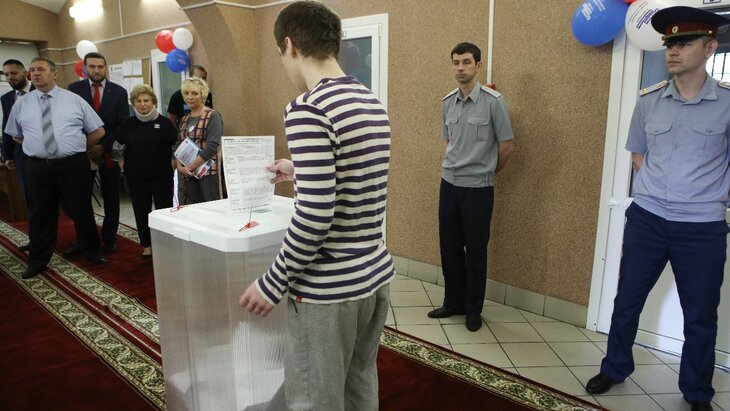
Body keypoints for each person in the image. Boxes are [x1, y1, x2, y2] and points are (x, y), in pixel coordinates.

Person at [238, 2, 394, 409]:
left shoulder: (308, 107)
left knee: (314, 399)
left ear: (290, 45)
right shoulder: (369, 100)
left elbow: (314, 216)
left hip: (328, 289)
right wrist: (299, 169)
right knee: (359, 385)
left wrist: (272, 282)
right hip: (374, 274)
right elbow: (359, 174)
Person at [585, 7, 730, 411]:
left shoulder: (726, 103)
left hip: (701, 228)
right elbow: (638, 154)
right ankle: (615, 367)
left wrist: (705, 196)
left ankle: (696, 391)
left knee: (700, 315)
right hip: (647, 221)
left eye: (684, 42)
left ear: (709, 48)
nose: (673, 50)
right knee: (627, 301)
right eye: (669, 43)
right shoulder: (649, 101)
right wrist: (658, 192)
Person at [427, 42, 514, 332]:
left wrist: (487, 172)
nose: (460, 68)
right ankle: (453, 302)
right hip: (449, 184)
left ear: (478, 65)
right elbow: (449, 142)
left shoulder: (493, 102)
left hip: (478, 188)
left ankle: (473, 310)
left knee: (476, 251)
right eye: (456, 62)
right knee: (449, 248)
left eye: (466, 62)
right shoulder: (447, 102)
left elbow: (507, 146)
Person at [4, 57, 107, 279]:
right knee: (40, 213)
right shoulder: (22, 103)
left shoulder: (74, 100)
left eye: (41, 69)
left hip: (73, 164)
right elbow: (15, 135)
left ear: (54, 73)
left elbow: (98, 131)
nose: (35, 73)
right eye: (32, 70)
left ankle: (90, 249)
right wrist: (37, 146)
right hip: (38, 167)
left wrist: (77, 147)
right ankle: (38, 259)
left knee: (81, 208)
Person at [67, 52, 129, 254]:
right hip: (82, 152)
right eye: (92, 66)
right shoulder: (74, 90)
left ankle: (110, 238)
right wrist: (88, 146)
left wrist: (102, 146)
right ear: (85, 68)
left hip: (108, 151)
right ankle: (85, 239)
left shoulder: (118, 92)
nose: (96, 70)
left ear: (106, 68)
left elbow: (122, 124)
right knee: (81, 198)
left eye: (100, 66)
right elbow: (70, 122)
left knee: (111, 197)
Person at [116, 84, 176, 257]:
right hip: (136, 176)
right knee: (141, 210)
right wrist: (120, 162)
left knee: (164, 210)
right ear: (134, 103)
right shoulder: (128, 124)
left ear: (153, 102)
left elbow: (176, 145)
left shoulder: (165, 123)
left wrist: (174, 162)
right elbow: (117, 145)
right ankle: (147, 245)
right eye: (138, 101)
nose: (142, 104)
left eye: (146, 100)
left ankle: (165, 243)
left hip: (161, 175)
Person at [174, 77, 222, 204]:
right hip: (189, 174)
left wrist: (191, 166)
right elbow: (180, 144)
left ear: (203, 95)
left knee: (212, 208)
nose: (190, 97)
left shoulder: (213, 116)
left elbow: (212, 147)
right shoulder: (184, 119)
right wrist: (179, 167)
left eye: (195, 93)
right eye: (186, 93)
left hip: (208, 173)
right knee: (195, 209)